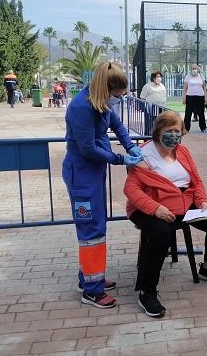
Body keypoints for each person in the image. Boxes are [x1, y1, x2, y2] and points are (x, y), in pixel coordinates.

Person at [124, 111, 207, 318]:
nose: (174, 135)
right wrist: (155, 208)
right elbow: (131, 189)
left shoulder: (182, 151)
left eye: (178, 131)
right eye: (169, 131)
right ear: (158, 131)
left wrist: (201, 201)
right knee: (160, 233)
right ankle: (147, 291)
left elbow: (196, 181)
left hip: (185, 204)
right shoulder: (143, 154)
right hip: (149, 207)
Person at [62, 61, 144, 309]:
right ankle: (92, 291)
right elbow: (87, 148)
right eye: (116, 95)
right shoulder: (81, 107)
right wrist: (120, 158)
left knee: (96, 225)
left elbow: (117, 125)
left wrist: (129, 145)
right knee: (91, 230)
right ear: (105, 88)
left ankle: (88, 278)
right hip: (82, 174)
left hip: (94, 172)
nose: (117, 100)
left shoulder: (101, 102)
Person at [182, 64, 207, 133]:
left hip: (200, 96)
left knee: (201, 113)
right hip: (190, 96)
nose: (194, 70)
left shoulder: (201, 76)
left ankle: (203, 128)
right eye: (193, 68)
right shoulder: (187, 76)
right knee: (188, 113)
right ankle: (186, 128)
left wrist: (205, 98)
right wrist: (184, 98)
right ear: (191, 69)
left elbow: (204, 88)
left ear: (198, 69)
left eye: (195, 68)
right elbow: (185, 88)